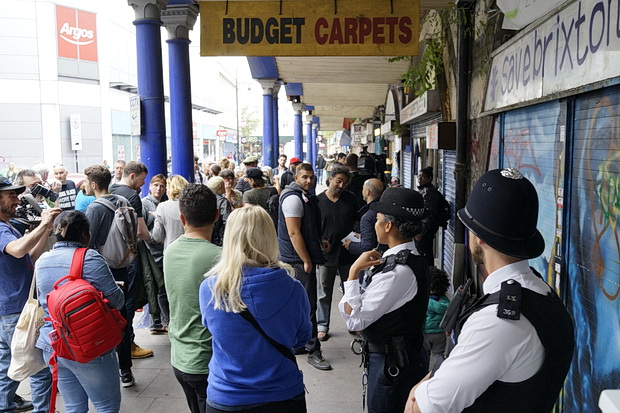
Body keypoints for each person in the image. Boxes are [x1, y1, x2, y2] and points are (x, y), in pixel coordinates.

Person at [407, 168, 575, 413]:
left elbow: (422, 407)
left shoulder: (497, 321)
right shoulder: (542, 293)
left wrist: (415, 392)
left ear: (478, 237)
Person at [200, 206, 312, 413]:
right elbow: (302, 339)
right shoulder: (293, 288)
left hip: (226, 396)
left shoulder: (210, 289)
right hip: (283, 394)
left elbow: (212, 329)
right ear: (270, 237)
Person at [339, 187, 430, 413]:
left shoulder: (397, 272)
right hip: (396, 358)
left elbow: (354, 321)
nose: (375, 224)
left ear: (388, 226)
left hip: (393, 364)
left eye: (378, 220)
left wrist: (352, 274)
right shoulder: (406, 259)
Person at [35, 210, 124, 412]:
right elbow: (116, 300)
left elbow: (44, 300)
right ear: (85, 234)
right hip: (87, 345)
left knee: (74, 407)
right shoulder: (89, 258)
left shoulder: (42, 260)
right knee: (106, 406)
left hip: (54, 344)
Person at [83, 165, 150, 388]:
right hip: (123, 266)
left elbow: (88, 244)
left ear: (94, 184)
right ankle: (126, 371)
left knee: (100, 320)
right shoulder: (124, 201)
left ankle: (105, 372)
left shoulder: (95, 209)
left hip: (101, 269)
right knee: (121, 318)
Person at [0, 176, 59, 413]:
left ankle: (4, 406)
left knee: (7, 364)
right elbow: (17, 250)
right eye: (11, 195)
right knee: (38, 366)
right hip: (15, 310)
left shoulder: (9, 225)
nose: (16, 200)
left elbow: (29, 257)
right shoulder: (2, 229)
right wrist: (44, 225)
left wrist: (44, 230)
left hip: (11, 310)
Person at [165, 184, 221, 413]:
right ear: (217, 215)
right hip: (208, 360)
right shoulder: (219, 257)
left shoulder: (170, 251)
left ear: (182, 217)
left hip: (180, 357)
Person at [277, 163, 331, 371]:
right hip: (296, 261)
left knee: (298, 304)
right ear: (296, 177)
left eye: (311, 177)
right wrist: (307, 259)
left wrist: (319, 240)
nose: (309, 181)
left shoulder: (301, 196)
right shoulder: (293, 199)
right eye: (305, 177)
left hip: (296, 259)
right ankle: (313, 350)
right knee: (308, 305)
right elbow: (294, 233)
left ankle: (298, 344)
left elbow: (306, 228)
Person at [316, 164, 358, 341]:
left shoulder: (351, 199)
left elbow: (356, 222)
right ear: (330, 179)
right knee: (324, 292)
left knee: (351, 291)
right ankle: (323, 325)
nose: (341, 186)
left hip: (348, 253)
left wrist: (356, 237)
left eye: (345, 183)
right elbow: (314, 227)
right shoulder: (318, 201)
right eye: (339, 181)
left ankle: (353, 323)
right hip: (326, 255)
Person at [142, 174, 168, 334]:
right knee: (157, 288)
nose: (159, 189)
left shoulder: (164, 204)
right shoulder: (145, 204)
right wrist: (151, 240)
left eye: (162, 186)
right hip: (152, 252)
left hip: (163, 252)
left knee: (161, 289)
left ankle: (158, 322)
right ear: (150, 186)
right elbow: (141, 228)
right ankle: (156, 322)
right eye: (156, 185)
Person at [343, 178, 385, 256]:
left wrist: (350, 245)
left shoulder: (367, 217)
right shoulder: (384, 208)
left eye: (363, 188)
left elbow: (367, 247)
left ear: (367, 192)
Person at [422, 267, 450, 375]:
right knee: (438, 354)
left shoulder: (426, 302)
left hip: (426, 333)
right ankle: (439, 373)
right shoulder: (445, 301)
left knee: (425, 355)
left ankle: (424, 374)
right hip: (440, 333)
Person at [152, 175, 188, 252]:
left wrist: (157, 218)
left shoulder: (162, 207)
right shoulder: (192, 205)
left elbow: (157, 237)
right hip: (190, 250)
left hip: (171, 251)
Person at [415, 167, 443, 266]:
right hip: (425, 229)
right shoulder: (424, 190)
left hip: (426, 230)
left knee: (425, 254)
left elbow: (429, 213)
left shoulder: (429, 192)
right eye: (419, 176)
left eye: (422, 177)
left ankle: (429, 275)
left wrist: (421, 232)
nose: (419, 179)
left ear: (429, 179)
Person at [206, 177, 232, 247]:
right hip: (218, 237)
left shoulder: (205, 199)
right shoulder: (223, 202)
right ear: (220, 186)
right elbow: (227, 220)